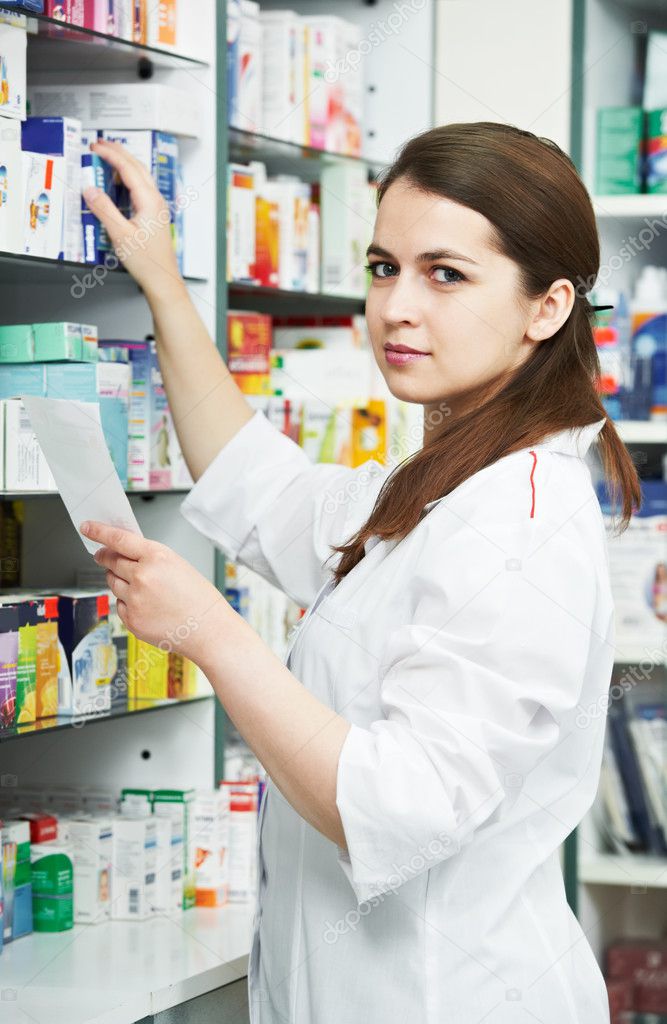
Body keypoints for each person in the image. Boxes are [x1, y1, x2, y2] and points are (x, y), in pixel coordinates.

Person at [80, 121, 641, 1024]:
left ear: (547, 307)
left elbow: (400, 807)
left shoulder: (523, 520)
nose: (395, 308)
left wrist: (207, 633)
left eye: (445, 274)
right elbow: (254, 481)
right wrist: (160, 276)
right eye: (384, 267)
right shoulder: (435, 488)